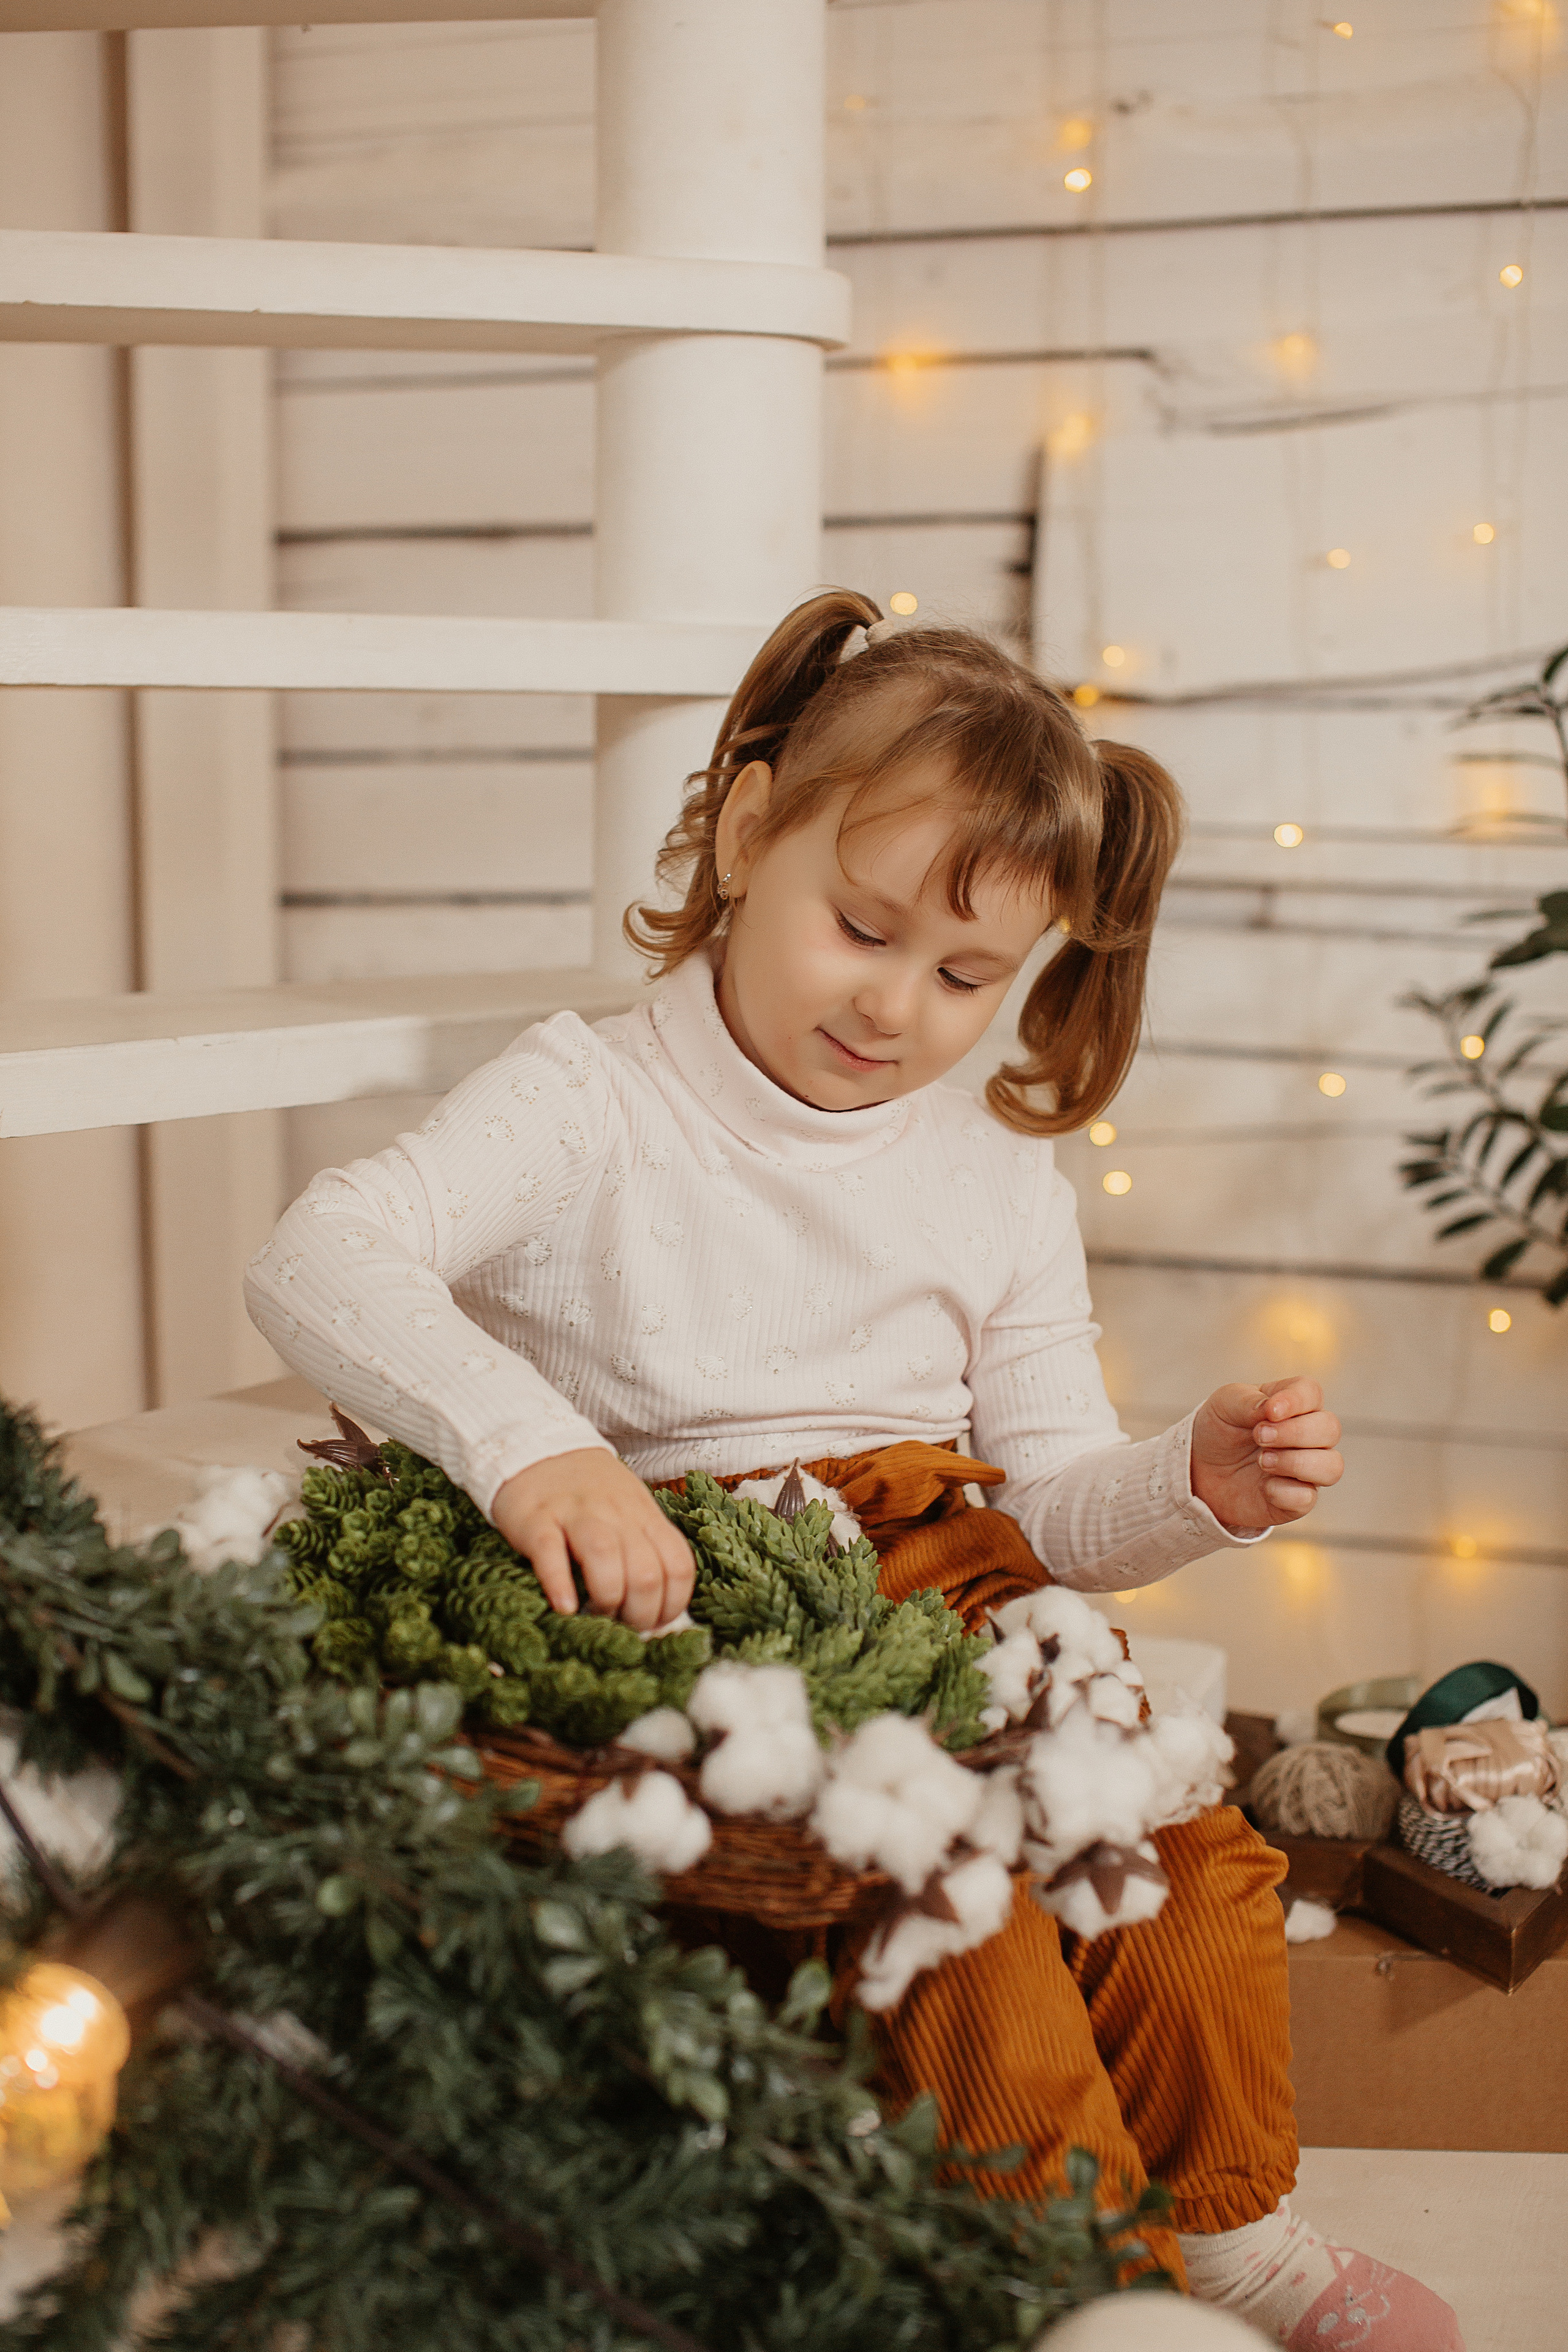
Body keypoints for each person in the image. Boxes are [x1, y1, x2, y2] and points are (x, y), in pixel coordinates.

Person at [246, 590, 1463, 2352]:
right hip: (709, 1616)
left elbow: (1044, 1507)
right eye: (860, 927)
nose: (896, 1005)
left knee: (1182, 1856)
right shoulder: (590, 1100)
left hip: (948, 1590)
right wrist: (536, 1451)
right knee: (952, 1919)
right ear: (749, 831)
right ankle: (1065, 2293)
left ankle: (1233, 2232)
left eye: (968, 977)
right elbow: (325, 1249)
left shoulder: (994, 1188)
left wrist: (1188, 1483)